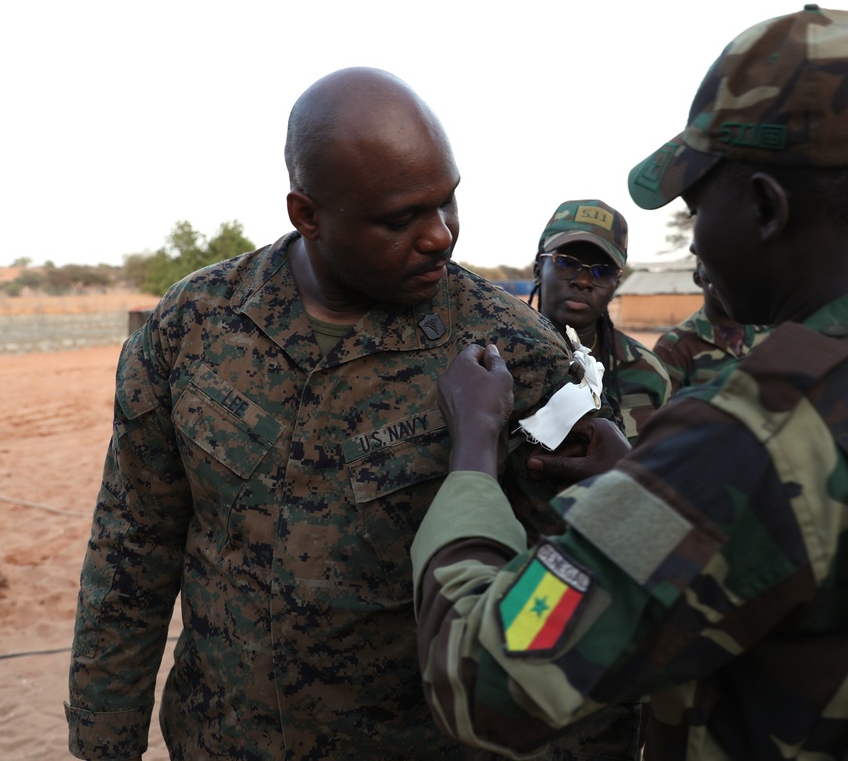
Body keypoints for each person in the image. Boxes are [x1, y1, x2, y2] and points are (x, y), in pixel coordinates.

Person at [412, 5, 848, 760]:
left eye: (693, 204)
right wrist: (642, 491)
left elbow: (484, 677)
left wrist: (474, 460)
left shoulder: (748, 439)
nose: (697, 236)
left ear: (763, 208)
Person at [65, 67, 641, 760]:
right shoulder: (193, 325)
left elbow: (574, 598)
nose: (439, 236)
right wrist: (104, 744)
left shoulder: (512, 353)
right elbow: (131, 550)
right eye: (401, 218)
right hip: (220, 740)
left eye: (447, 202)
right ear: (307, 214)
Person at [530, 199, 671, 441]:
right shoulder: (496, 359)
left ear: (616, 285)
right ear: (537, 270)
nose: (583, 280)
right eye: (566, 262)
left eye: (602, 271)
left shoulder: (646, 370)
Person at [652, 260, 771, 392]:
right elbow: (661, 409)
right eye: (718, 273)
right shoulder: (674, 347)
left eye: (737, 274)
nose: (729, 284)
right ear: (698, 278)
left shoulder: (771, 337)